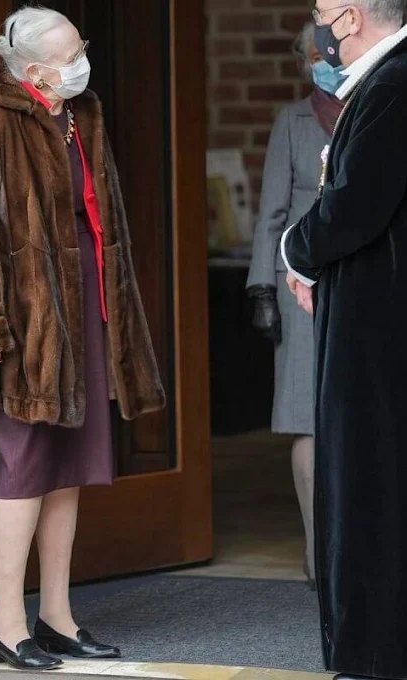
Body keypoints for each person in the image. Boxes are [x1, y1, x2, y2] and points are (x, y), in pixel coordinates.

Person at [0, 5, 165, 672]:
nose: (81, 58)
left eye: (79, 45)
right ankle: (4, 622)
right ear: (33, 71)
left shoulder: (81, 116)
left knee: (69, 469)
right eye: (69, 51)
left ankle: (56, 616)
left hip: (86, 308)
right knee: (25, 467)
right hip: (26, 324)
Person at [281, 1, 407, 678]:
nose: (318, 24)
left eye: (322, 10)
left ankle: (375, 654)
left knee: (368, 484)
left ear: (350, 17)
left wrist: (297, 251)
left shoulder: (391, 83)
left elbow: (356, 203)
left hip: (377, 327)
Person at [247, 23, 345, 589]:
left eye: (323, 55)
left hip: (359, 280)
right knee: (307, 419)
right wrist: (261, 286)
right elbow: (271, 213)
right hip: (298, 287)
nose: (318, 65)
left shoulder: (374, 108)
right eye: (310, 58)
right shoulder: (292, 122)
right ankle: (315, 552)